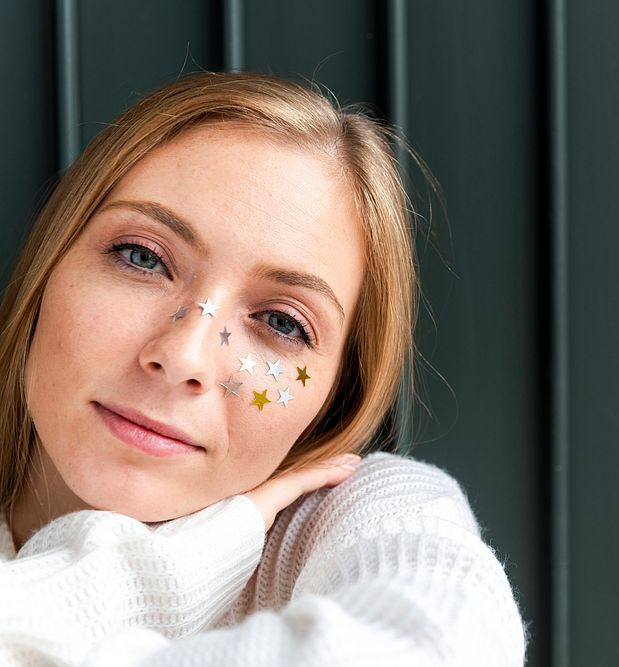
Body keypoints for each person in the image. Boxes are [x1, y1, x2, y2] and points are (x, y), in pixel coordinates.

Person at [0, 72, 525, 666]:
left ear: (335, 396)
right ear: (50, 265)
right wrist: (170, 570)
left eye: (281, 323)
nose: (183, 357)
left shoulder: (358, 513)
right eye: (142, 257)